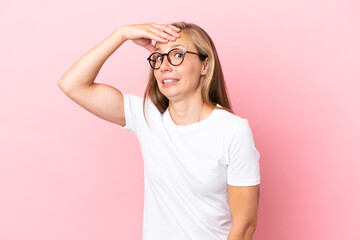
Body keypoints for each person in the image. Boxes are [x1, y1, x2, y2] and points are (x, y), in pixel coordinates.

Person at [58, 22, 261, 240]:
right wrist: (122, 34)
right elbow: (72, 84)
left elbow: (244, 227)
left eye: (177, 55)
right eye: (159, 57)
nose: (164, 66)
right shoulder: (146, 116)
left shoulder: (232, 131)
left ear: (205, 65)